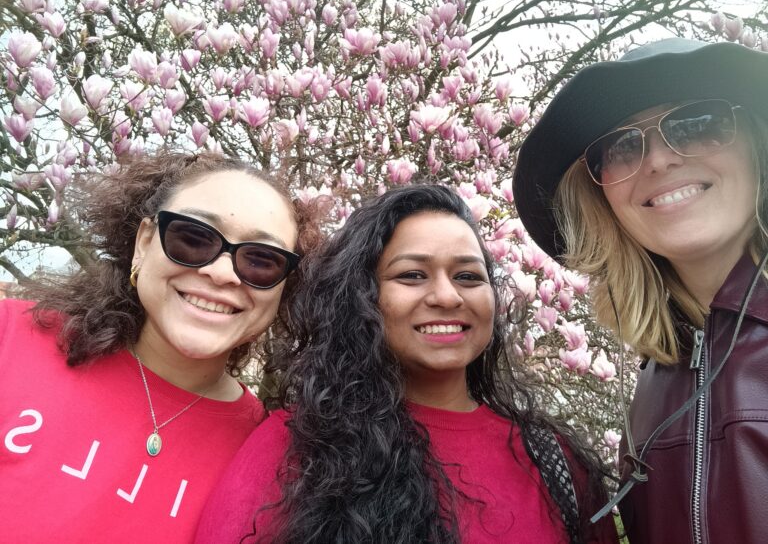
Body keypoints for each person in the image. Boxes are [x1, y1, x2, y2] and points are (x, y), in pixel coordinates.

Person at [195, 185, 617, 544]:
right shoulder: (296, 447)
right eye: (412, 275)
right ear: (362, 296)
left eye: (468, 276)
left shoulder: (554, 462)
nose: (447, 297)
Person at [513, 37, 768, 544]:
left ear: (757, 145)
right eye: (623, 147)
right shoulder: (659, 374)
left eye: (697, 123)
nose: (657, 161)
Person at [0, 151, 318, 541]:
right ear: (144, 242)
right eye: (193, 238)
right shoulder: (10, 338)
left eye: (262, 260)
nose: (221, 273)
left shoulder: (267, 456)